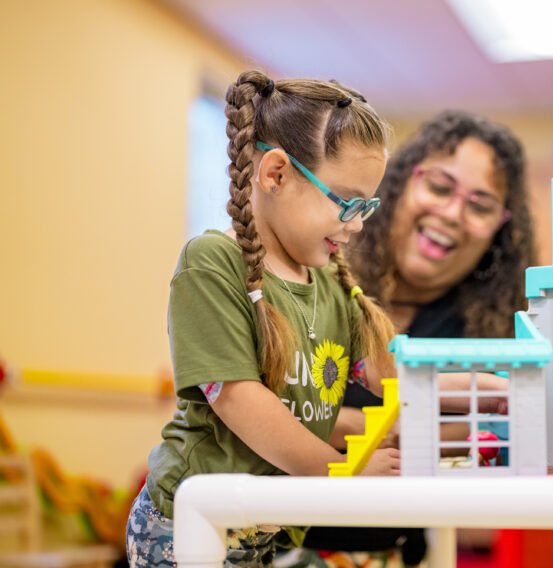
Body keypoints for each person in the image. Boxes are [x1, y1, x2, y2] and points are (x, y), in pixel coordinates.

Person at [126, 72, 507, 568]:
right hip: (186, 526)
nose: (359, 223)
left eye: (367, 205)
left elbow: (394, 372)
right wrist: (342, 475)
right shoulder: (213, 262)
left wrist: (492, 390)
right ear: (276, 175)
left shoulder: (328, 286)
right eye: (347, 202)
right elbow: (241, 401)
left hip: (266, 527)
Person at [301, 111, 535, 565]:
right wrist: (387, 429)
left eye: (481, 205)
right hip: (266, 538)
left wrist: (341, 428)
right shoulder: (315, 275)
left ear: (499, 231)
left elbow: (492, 432)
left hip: (393, 553)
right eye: (440, 187)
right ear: (400, 183)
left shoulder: (493, 332)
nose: (452, 213)